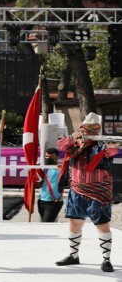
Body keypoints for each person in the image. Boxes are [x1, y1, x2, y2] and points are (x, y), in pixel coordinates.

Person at [55, 112, 121, 273]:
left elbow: (112, 151)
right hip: (77, 189)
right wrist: (74, 138)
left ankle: (106, 259)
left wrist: (113, 144)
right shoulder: (75, 144)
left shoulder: (103, 145)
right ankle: (73, 255)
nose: (87, 132)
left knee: (102, 225)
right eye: (85, 128)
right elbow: (62, 146)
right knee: (74, 223)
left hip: (98, 191)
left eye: (91, 129)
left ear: (97, 131)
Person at [37, 148, 63, 223]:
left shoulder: (60, 168)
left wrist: (62, 169)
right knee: (45, 224)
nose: (48, 158)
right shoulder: (42, 168)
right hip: (41, 200)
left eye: (51, 157)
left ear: (57, 157)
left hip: (54, 201)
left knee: (46, 224)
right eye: (47, 156)